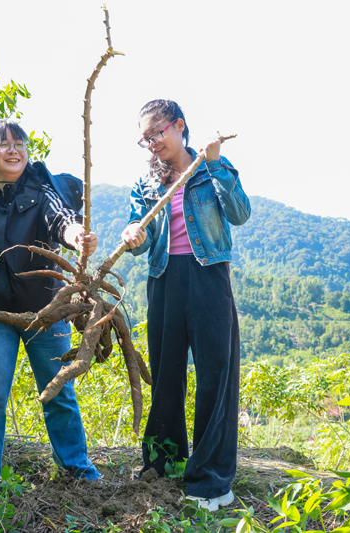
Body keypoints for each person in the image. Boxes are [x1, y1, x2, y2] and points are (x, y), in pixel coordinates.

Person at [0, 119, 102, 508]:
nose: (14, 150)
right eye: (4, 144)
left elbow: (62, 221)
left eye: (20, 144)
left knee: (58, 389)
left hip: (46, 309)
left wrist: (78, 238)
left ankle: (79, 472)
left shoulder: (41, 190)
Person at [121, 99, 250, 512]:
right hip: (163, 280)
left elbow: (240, 213)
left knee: (216, 376)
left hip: (208, 277)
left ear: (179, 126)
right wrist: (133, 233)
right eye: (145, 138)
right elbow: (138, 236)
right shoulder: (146, 182)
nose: (152, 143)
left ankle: (210, 480)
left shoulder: (211, 168)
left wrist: (214, 164)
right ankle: (164, 464)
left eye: (157, 132)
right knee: (166, 374)